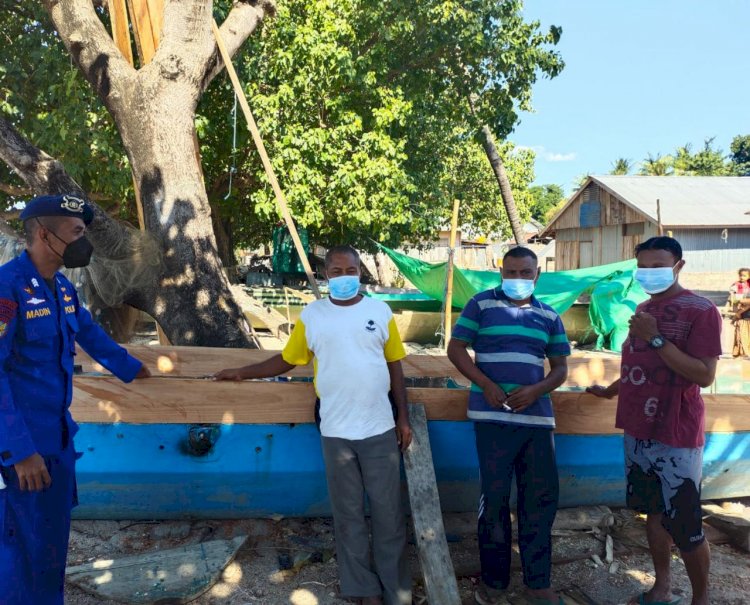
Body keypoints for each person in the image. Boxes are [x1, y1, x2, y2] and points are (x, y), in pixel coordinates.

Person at [215, 245, 413, 605]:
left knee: (389, 515)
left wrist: (403, 417)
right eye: (336, 271)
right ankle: (363, 589)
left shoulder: (379, 312)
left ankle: (396, 590)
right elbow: (287, 361)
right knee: (348, 515)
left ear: (360, 272)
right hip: (336, 431)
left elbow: (395, 365)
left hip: (379, 427)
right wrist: (242, 372)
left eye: (350, 270)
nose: (344, 277)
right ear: (325, 276)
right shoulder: (314, 315)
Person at [0, 194, 151, 604]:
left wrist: (131, 367)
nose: (85, 242)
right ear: (45, 235)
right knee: (18, 545)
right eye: (77, 233)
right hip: (23, 447)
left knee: (51, 539)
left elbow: (90, 334)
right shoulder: (6, 288)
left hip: (59, 440)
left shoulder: (62, 288)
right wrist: (18, 451)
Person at [587, 236, 721, 605]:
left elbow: (704, 375)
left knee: (686, 522)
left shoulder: (701, 310)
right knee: (654, 514)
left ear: (678, 266)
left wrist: (657, 337)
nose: (649, 273)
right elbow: (641, 363)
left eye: (658, 266)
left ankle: (701, 599)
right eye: (642, 267)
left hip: (675, 434)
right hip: (637, 431)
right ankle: (661, 588)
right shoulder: (644, 308)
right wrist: (610, 390)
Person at [447, 246, 570, 605]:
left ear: (538, 275)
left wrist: (536, 390)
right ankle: (494, 582)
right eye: (511, 272)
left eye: (525, 273)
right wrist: (484, 383)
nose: (518, 279)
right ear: (501, 271)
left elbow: (561, 369)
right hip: (492, 419)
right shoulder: (481, 305)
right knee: (495, 500)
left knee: (540, 501)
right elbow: (456, 349)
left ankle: (538, 582)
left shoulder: (549, 315)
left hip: (536, 420)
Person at [730, 268, 750, 357]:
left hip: (746, 313)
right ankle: (740, 352)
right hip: (742, 311)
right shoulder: (737, 285)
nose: (742, 277)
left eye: (744, 275)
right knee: (741, 333)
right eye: (740, 275)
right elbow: (733, 298)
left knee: (744, 333)